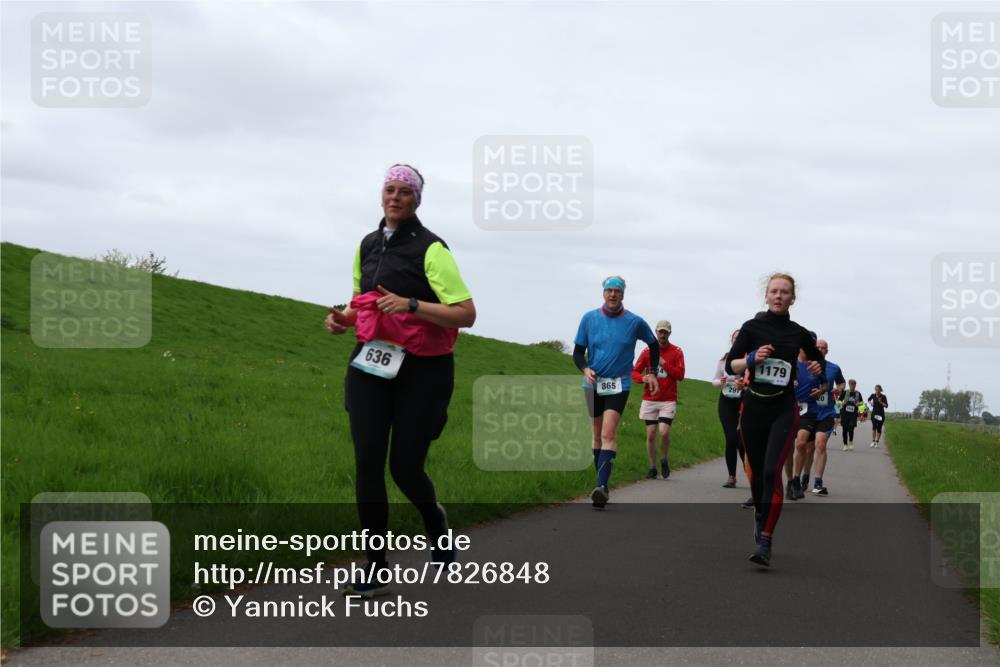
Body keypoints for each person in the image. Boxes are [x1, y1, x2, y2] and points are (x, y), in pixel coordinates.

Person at [325, 164, 476, 597]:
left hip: (424, 369)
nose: (395, 197)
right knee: (368, 462)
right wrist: (343, 320)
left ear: (416, 200)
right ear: (381, 195)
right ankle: (374, 565)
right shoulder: (367, 245)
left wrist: (412, 305)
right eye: (389, 189)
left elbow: (466, 313)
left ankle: (435, 523)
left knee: (405, 468)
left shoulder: (432, 249)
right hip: (371, 364)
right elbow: (364, 303)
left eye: (404, 192)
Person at [726, 273, 825, 567]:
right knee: (757, 474)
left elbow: (816, 362)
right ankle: (760, 514)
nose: (779, 296)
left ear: (793, 298)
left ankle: (766, 540)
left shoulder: (799, 333)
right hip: (753, 408)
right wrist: (752, 358)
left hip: (783, 410)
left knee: (772, 472)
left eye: (785, 292)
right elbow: (733, 364)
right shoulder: (752, 327)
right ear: (766, 296)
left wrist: (815, 366)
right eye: (774, 291)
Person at [574, 276, 659, 508]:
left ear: (623, 294)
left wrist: (651, 371)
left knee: (608, 434)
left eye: (617, 291)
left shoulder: (634, 321)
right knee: (596, 433)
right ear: (603, 293)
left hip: (619, 384)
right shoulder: (589, 318)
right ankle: (601, 483)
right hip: (592, 384)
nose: (613, 295)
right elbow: (578, 353)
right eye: (609, 290)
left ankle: (601, 486)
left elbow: (653, 344)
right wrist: (585, 368)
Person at [632, 320, 685, 479]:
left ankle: (664, 458)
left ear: (670, 333)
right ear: (656, 332)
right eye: (660, 332)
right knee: (650, 435)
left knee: (663, 431)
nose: (662, 335)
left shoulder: (676, 351)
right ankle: (653, 467)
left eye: (665, 332)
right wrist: (643, 378)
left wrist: (664, 363)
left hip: (668, 399)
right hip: (650, 398)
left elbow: (680, 375)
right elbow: (634, 372)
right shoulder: (647, 351)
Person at [806, 339, 846, 496]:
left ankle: (818, 481)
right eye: (818, 347)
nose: (821, 350)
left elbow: (842, 383)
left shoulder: (834, 368)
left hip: (826, 412)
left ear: (827, 351)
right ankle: (803, 477)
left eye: (823, 348)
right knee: (807, 447)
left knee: (820, 444)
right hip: (808, 412)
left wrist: (838, 389)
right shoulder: (804, 366)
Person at [712, 329, 745, 489]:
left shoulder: (748, 359)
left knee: (743, 441)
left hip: (744, 401)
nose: (737, 340)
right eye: (735, 337)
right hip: (725, 402)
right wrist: (722, 381)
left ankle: (752, 473)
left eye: (740, 338)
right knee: (731, 439)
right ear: (731, 340)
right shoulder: (724, 359)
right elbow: (714, 381)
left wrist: (743, 384)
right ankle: (731, 476)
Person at [840, 379, 863, 450]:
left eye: (853, 384)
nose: (852, 386)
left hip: (853, 414)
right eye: (851, 384)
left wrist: (858, 404)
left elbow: (862, 402)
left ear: (855, 385)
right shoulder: (844, 392)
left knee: (851, 428)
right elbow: (838, 401)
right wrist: (843, 403)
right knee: (844, 429)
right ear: (849, 385)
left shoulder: (858, 393)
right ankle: (845, 445)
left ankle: (850, 442)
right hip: (844, 413)